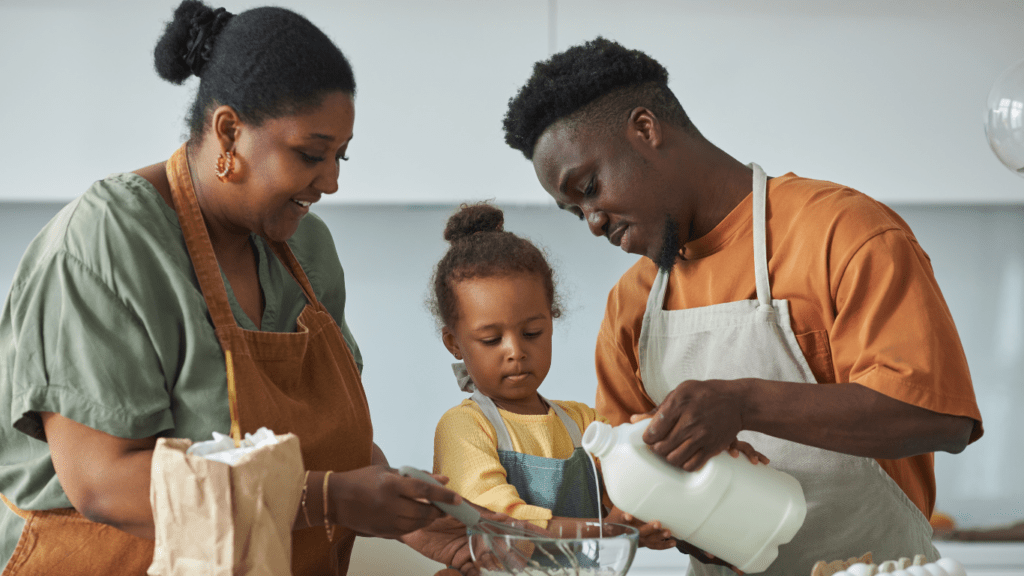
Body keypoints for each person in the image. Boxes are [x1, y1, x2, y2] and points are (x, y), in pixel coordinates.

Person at [0, 2, 477, 574]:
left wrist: (412, 514)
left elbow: (330, 452)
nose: (331, 181)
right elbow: (103, 484)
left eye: (340, 156)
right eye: (310, 154)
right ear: (229, 131)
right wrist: (328, 499)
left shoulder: (308, 249)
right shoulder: (106, 244)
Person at [500, 37, 984, 576]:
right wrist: (683, 521)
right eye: (574, 211)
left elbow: (938, 416)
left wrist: (744, 403)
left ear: (645, 128)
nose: (592, 221)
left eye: (589, 187)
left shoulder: (840, 234)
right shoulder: (631, 305)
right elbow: (627, 501)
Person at [429, 202, 767, 550]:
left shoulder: (582, 422)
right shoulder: (464, 428)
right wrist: (609, 530)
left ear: (551, 322)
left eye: (532, 333)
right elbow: (499, 524)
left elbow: (641, 481)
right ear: (454, 344)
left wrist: (705, 448)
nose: (515, 351)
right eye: (491, 340)